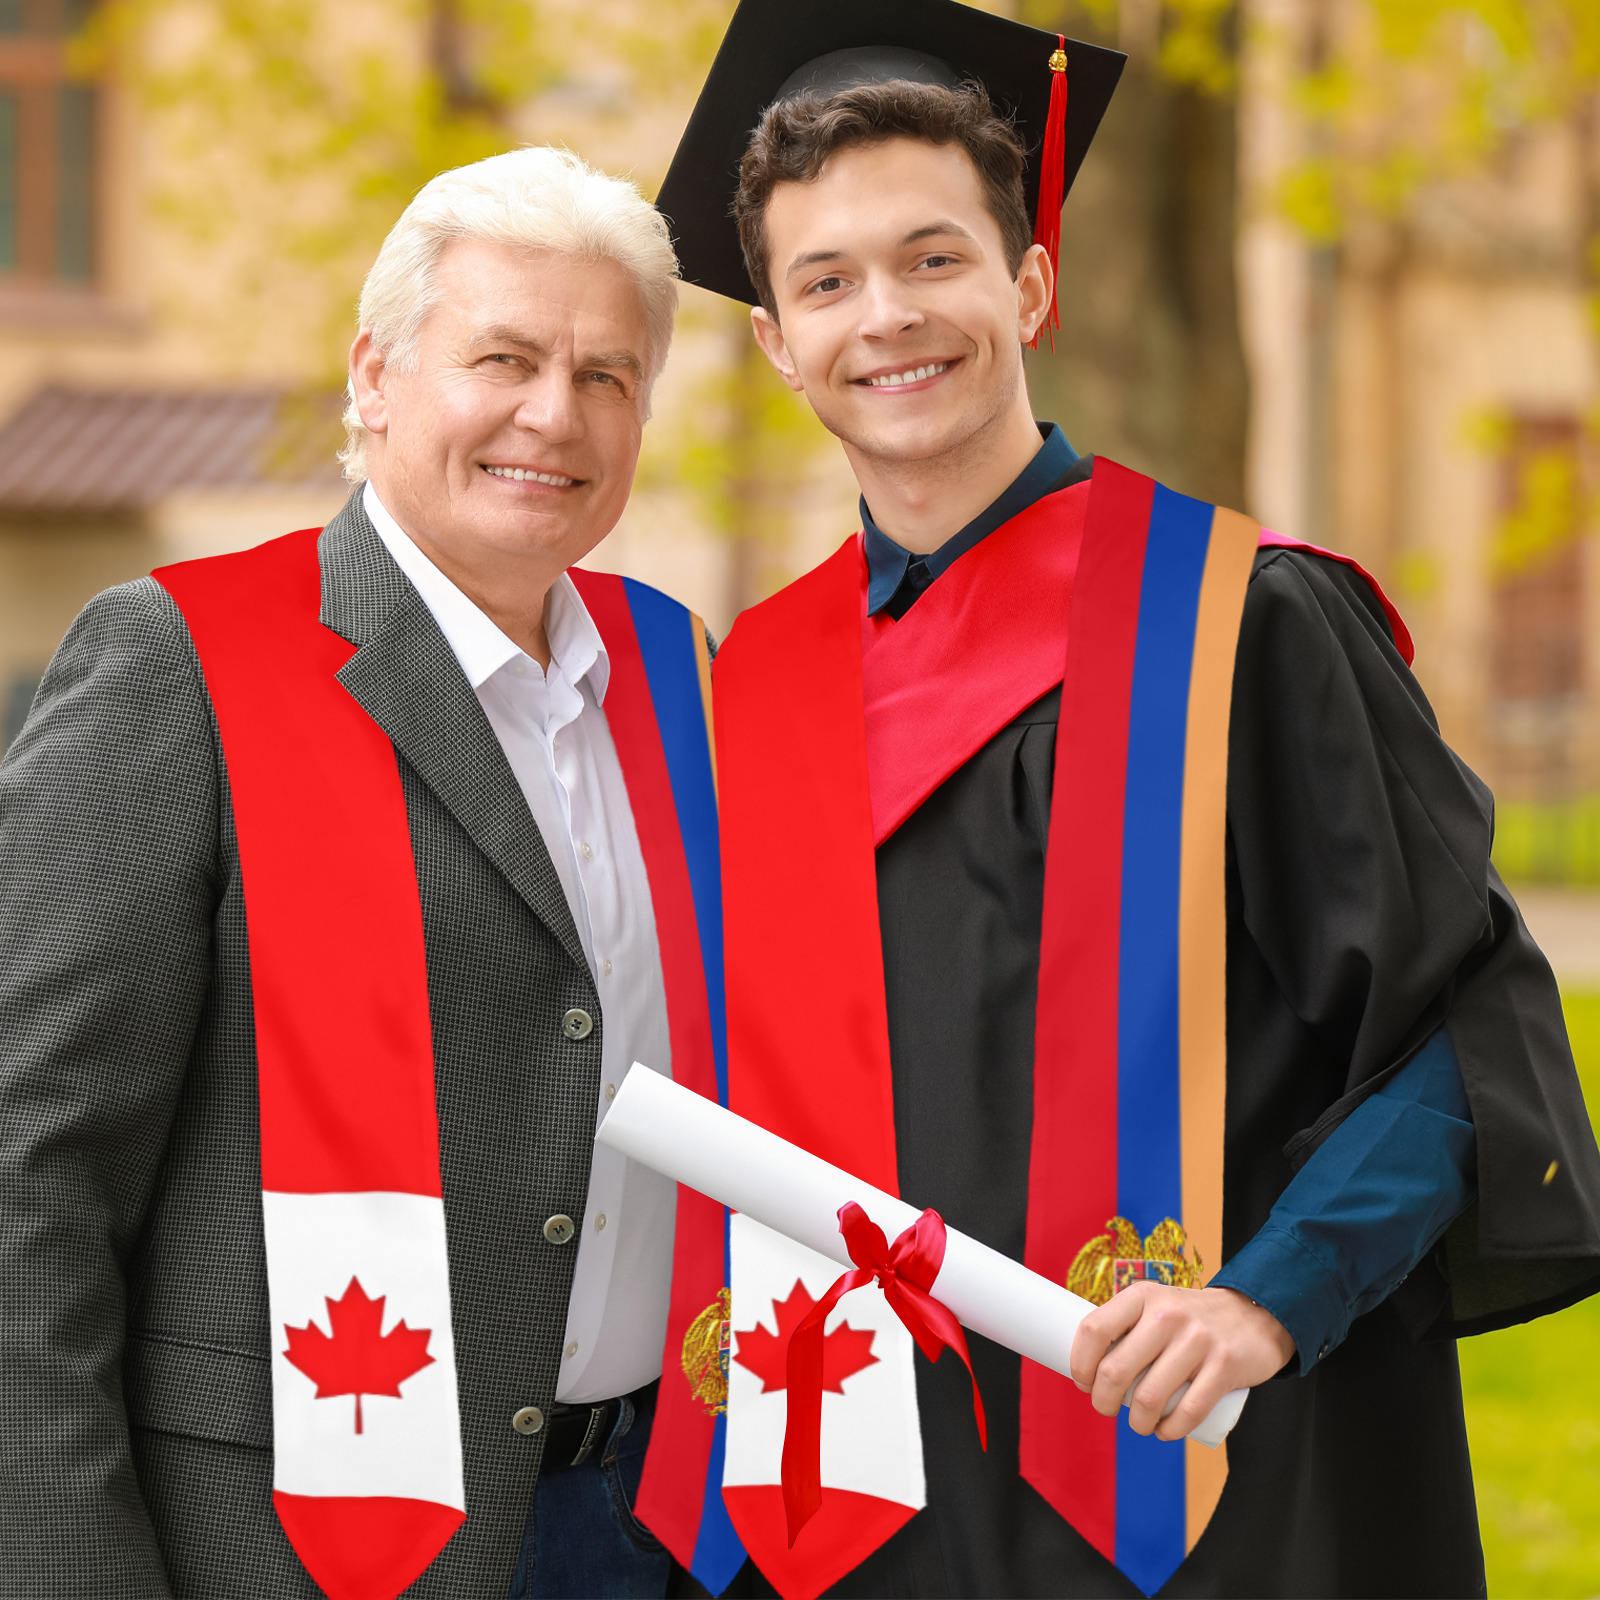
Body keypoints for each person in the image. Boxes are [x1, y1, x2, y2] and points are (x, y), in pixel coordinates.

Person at [645, 2, 1600, 1595]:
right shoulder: (755, 689)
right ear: (775, 342)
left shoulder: (1243, 622)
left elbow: (1463, 1032)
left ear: (1029, 281)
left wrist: (1270, 1298)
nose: (886, 316)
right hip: (866, 1510)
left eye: (935, 257)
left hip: (1204, 1471)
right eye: (825, 282)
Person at [0, 146, 736, 1600]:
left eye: (607, 376)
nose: (554, 413)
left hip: (649, 1526)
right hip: (287, 1543)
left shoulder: (679, 678)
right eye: (505, 357)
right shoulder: (185, 662)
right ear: (377, 377)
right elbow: (31, 1171)